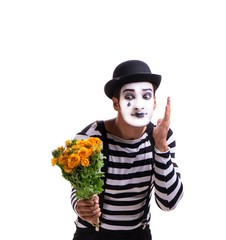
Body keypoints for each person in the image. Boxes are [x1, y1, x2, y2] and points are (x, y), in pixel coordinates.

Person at [70, 60, 183, 240]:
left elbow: (168, 203)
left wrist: (161, 148)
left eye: (146, 96)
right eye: (129, 97)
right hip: (93, 234)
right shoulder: (91, 139)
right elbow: (78, 190)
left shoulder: (162, 136)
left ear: (154, 102)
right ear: (116, 103)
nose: (139, 105)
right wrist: (81, 206)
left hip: (138, 234)